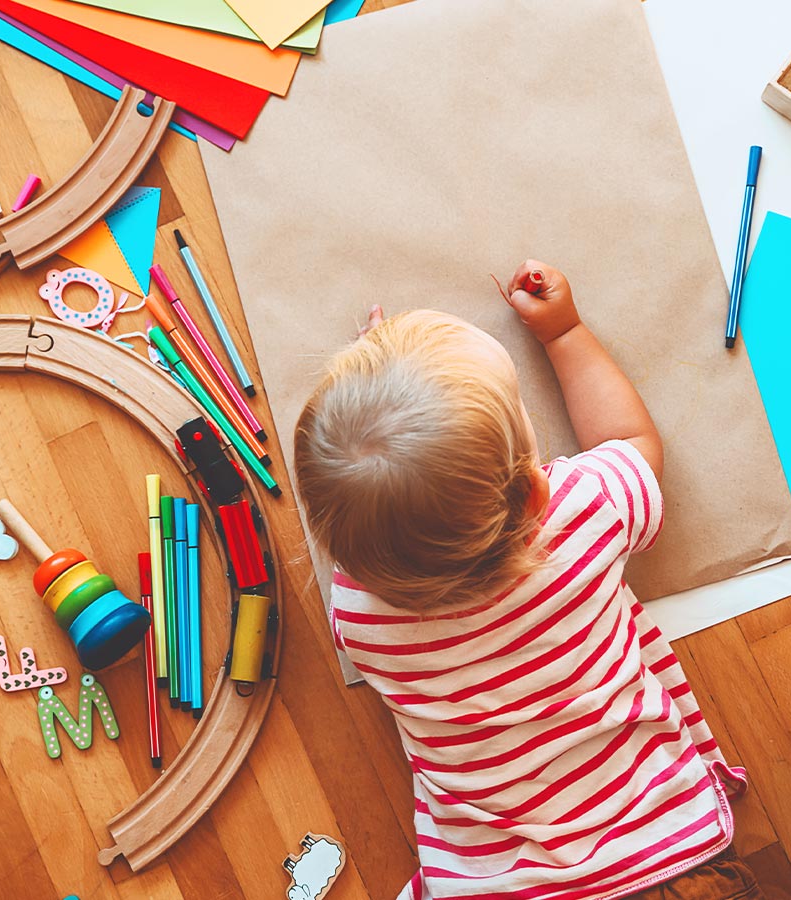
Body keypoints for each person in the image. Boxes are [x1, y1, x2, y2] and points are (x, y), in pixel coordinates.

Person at [293, 261, 759, 900]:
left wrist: (378, 388)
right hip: (664, 852)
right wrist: (563, 333)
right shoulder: (582, 512)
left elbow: (376, 522)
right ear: (536, 488)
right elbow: (631, 441)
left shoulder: (363, 620)